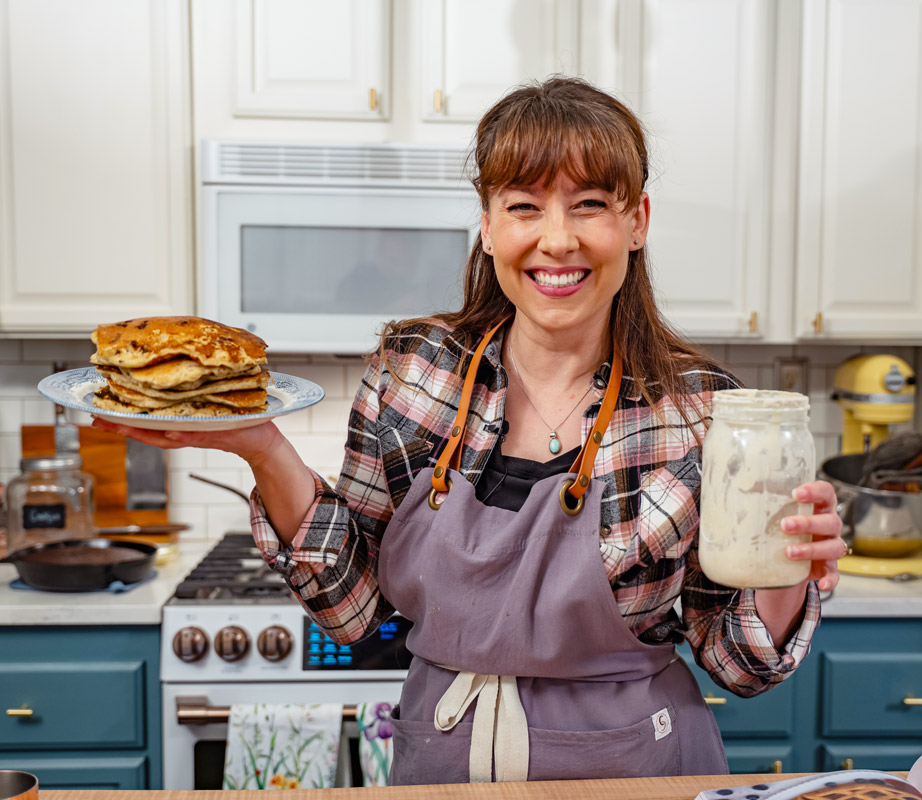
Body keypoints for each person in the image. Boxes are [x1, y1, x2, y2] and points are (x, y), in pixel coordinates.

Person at [94, 76, 844, 785]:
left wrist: (789, 567)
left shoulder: (701, 412)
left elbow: (741, 665)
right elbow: (352, 609)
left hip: (639, 772)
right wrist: (259, 443)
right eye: (524, 206)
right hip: (443, 767)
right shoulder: (416, 374)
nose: (557, 240)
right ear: (487, 227)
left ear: (636, 223)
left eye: (588, 204)